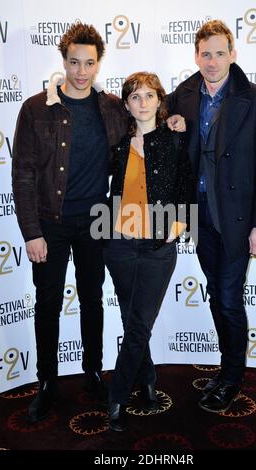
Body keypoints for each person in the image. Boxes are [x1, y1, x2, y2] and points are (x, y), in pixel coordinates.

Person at [12, 22, 128, 423]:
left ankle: (93, 372)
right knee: (47, 304)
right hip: (51, 223)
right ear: (63, 60)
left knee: (92, 299)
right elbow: (23, 173)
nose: (81, 71)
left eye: (89, 63)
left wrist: (174, 124)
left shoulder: (112, 107)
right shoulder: (35, 108)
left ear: (99, 64)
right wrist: (32, 233)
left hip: (95, 220)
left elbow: (144, 128)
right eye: (74, 62)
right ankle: (47, 383)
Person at [167, 20, 256, 413]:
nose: (212, 61)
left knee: (229, 298)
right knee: (218, 294)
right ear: (195, 56)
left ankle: (232, 376)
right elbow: (139, 107)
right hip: (199, 218)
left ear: (233, 54)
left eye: (219, 53)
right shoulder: (182, 96)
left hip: (236, 219)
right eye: (205, 54)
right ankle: (226, 368)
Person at [104, 72, 191, 431]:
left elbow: (186, 185)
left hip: (158, 247)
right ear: (125, 104)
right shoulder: (119, 145)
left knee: (139, 323)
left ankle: (117, 397)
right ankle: (150, 378)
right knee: (131, 320)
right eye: (135, 96)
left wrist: (180, 225)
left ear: (160, 101)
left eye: (149, 96)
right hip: (119, 244)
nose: (142, 102)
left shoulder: (174, 139)